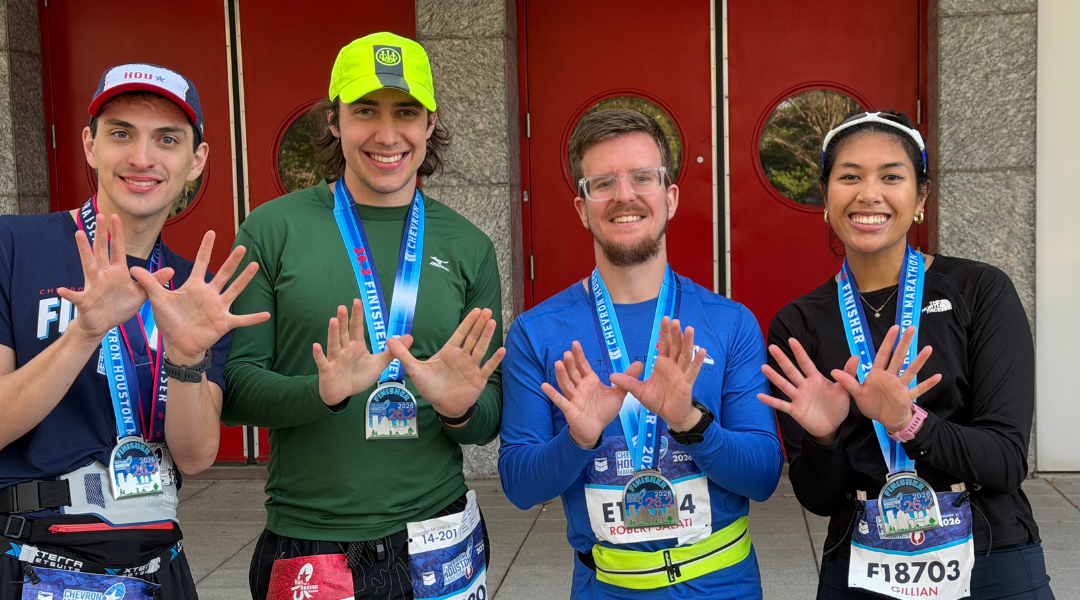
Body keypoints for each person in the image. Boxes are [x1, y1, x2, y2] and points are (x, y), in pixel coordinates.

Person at [222, 33, 504, 600]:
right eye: (365, 111)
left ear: (429, 124)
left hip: (439, 537)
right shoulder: (272, 231)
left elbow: (489, 410)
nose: (387, 133)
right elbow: (233, 391)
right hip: (311, 544)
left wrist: (460, 410)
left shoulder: (468, 245)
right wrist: (321, 393)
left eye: (406, 112)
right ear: (334, 121)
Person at [758, 111, 1054, 599]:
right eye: (849, 176)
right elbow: (817, 498)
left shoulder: (979, 291)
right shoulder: (800, 323)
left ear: (920, 198)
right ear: (826, 200)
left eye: (891, 177)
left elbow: (1004, 460)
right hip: (861, 568)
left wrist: (907, 422)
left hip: (991, 560)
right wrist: (825, 440)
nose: (868, 193)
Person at [0, 63, 268, 599]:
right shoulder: (14, 245)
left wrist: (188, 357)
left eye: (166, 139)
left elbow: (195, 456)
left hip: (153, 560)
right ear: (90, 145)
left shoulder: (195, 294)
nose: (142, 158)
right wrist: (85, 332)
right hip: (30, 556)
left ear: (196, 161)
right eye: (121, 133)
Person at [499, 108, 784, 598]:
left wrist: (690, 422)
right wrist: (578, 439)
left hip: (723, 586)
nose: (624, 195)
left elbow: (762, 477)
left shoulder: (730, 322)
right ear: (582, 207)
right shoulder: (536, 331)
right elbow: (521, 487)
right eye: (603, 183)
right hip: (606, 587)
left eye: (642, 178)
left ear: (670, 197)